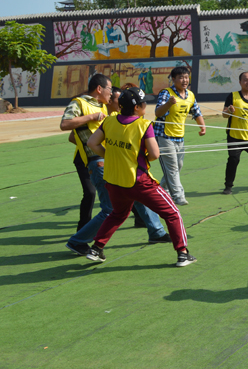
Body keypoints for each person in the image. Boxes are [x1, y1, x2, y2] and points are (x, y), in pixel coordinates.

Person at [84, 88, 196, 267]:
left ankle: (96, 248)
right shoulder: (144, 125)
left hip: (114, 181)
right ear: (137, 107)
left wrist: (110, 156)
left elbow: (92, 143)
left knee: (117, 214)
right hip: (139, 181)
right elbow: (154, 154)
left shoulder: (109, 121)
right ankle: (182, 253)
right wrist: (140, 157)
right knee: (172, 213)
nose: (146, 106)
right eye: (144, 104)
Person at [62, 75, 170, 256]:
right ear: (99, 89)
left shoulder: (104, 107)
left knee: (136, 193)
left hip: (110, 161)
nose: (111, 93)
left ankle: (156, 232)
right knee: (110, 208)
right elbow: (66, 125)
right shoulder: (79, 103)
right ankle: (77, 241)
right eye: (110, 89)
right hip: (98, 162)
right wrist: (92, 118)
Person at [66, 85, 120, 230]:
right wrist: (91, 146)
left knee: (118, 189)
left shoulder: (113, 114)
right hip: (87, 158)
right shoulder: (91, 109)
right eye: (117, 98)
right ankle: (82, 229)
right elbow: (71, 136)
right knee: (91, 193)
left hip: (102, 157)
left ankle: (140, 220)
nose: (120, 102)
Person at [154, 66, 206, 206]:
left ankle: (160, 192)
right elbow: (158, 112)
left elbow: (196, 111)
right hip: (163, 135)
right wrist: (169, 104)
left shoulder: (190, 95)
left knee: (178, 166)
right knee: (172, 167)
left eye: (186, 77)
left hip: (179, 136)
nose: (184, 80)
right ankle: (178, 196)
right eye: (181, 77)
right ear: (173, 79)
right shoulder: (166, 93)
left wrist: (202, 126)